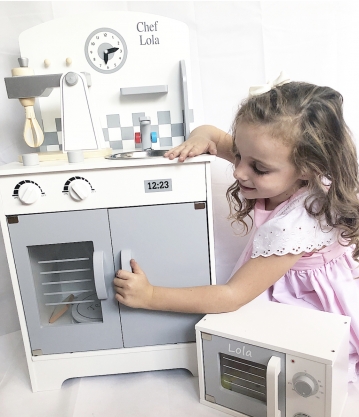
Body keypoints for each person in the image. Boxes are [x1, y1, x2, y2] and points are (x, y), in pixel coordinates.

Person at [114, 73, 359, 382]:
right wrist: (201, 137)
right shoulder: (276, 154)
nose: (240, 171)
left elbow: (231, 295)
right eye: (240, 155)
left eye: (258, 168)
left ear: (308, 169)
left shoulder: (293, 226)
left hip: (308, 301)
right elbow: (214, 137)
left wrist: (150, 296)